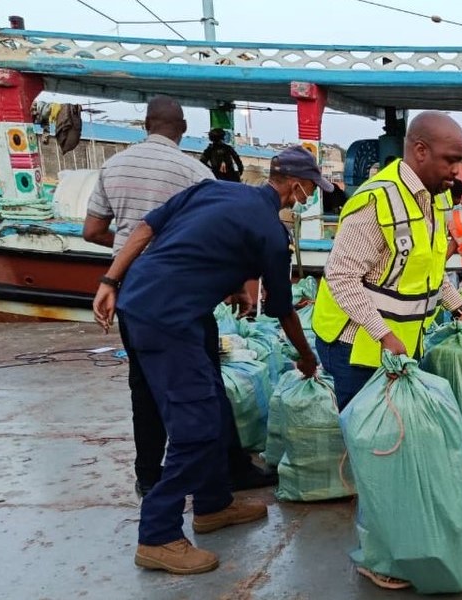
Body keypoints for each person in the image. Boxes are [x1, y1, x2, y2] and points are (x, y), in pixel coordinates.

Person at [91, 145, 325, 575]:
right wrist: (307, 358)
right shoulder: (272, 233)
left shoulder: (213, 190)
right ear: (296, 187)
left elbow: (146, 229)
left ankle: (213, 505)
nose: (312, 194)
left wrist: (110, 279)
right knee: (195, 425)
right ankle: (158, 534)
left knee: (216, 406)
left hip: (154, 298)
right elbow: (282, 310)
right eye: (312, 186)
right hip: (167, 317)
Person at [310, 111, 462, 590]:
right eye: (451, 159)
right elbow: (341, 278)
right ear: (420, 151)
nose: (457, 170)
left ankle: (398, 534)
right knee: (375, 451)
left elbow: (428, 272)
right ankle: (379, 554)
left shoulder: (434, 199)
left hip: (397, 344)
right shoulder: (376, 202)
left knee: (397, 444)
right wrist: (383, 334)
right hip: (353, 344)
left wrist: (460, 306)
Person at [82, 96, 275, 499]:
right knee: (204, 387)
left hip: (129, 290)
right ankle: (224, 474)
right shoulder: (194, 171)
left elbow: (93, 230)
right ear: (183, 129)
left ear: (145, 124)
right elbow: (219, 235)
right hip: (180, 293)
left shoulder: (113, 165)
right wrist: (236, 283)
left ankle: (149, 476)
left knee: (145, 386)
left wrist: (122, 259)